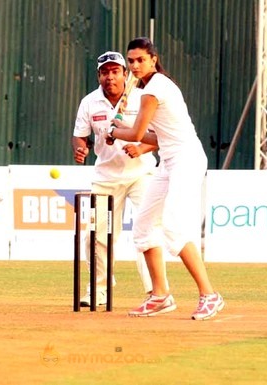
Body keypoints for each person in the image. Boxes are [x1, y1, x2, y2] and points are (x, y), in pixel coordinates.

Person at [107, 37, 224, 320]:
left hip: (187, 160)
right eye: (131, 61)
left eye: (140, 60)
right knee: (144, 227)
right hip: (169, 161)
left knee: (173, 228)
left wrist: (114, 131)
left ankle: (210, 295)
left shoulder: (155, 87)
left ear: (153, 60)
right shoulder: (147, 89)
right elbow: (156, 137)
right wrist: (121, 127)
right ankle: (160, 296)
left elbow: (135, 136)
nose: (135, 66)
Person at [71, 51, 164, 306]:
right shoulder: (89, 102)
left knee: (147, 231)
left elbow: (159, 136)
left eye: (115, 71)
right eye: (105, 72)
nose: (110, 77)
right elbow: (80, 135)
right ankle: (98, 289)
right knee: (96, 235)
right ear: (99, 75)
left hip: (141, 173)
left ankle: (155, 292)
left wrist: (141, 148)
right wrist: (80, 148)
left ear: (125, 73)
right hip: (105, 176)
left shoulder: (142, 97)